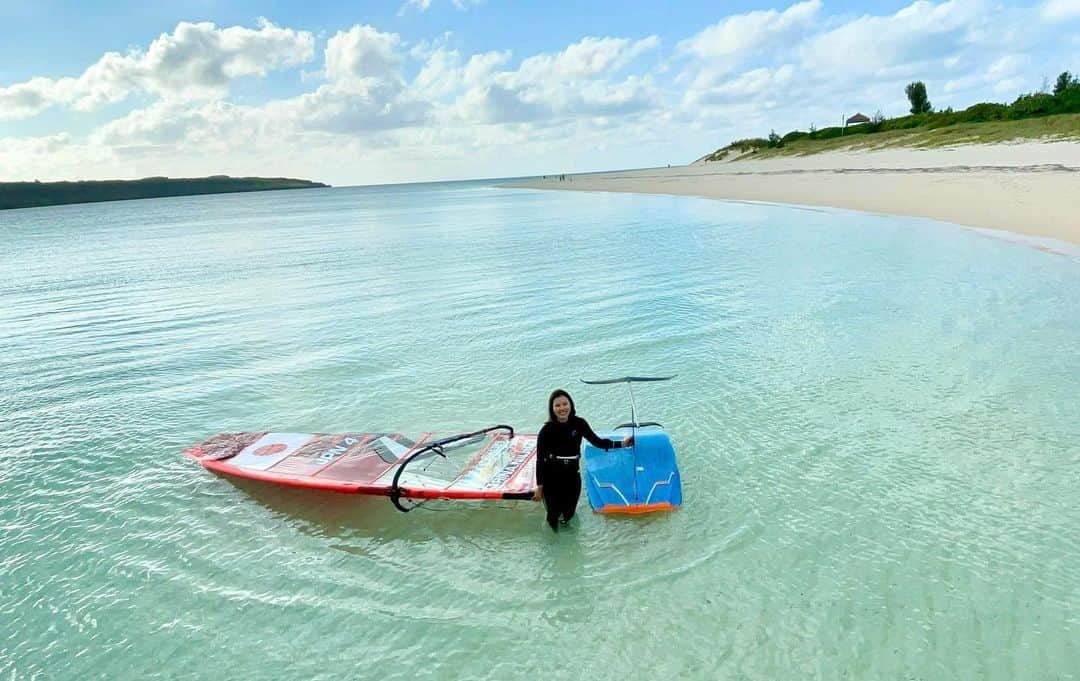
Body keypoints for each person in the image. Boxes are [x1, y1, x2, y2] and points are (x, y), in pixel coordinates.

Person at [533, 389, 632, 531]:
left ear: (571, 405)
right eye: (558, 405)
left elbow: (597, 441)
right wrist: (539, 487)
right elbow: (539, 460)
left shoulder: (579, 423)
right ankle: (553, 544)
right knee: (552, 517)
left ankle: (567, 543)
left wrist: (621, 444)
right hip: (552, 479)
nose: (562, 408)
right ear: (552, 409)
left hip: (572, 476)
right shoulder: (546, 430)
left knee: (569, 514)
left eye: (565, 404)